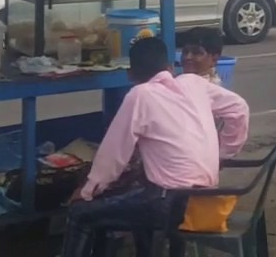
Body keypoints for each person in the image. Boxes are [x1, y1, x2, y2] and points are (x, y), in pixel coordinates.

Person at [61, 37, 249, 257]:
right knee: (139, 197)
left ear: (130, 74)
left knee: (80, 213)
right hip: (205, 198)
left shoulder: (140, 95)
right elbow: (240, 108)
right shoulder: (193, 83)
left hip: (168, 205)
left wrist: (87, 190)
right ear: (170, 67)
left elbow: (113, 154)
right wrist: (223, 153)